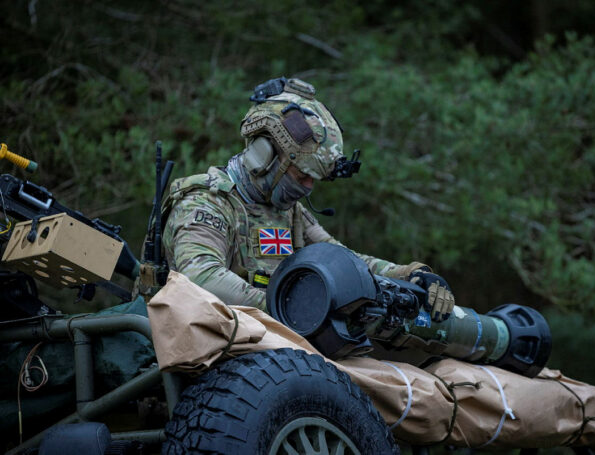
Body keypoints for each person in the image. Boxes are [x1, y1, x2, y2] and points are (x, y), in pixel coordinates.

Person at [161, 77, 455, 322]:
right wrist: (292, 310)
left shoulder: (290, 213)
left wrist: (408, 274)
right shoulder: (205, 203)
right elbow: (201, 278)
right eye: (302, 174)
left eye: (315, 178)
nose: (308, 186)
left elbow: (342, 260)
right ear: (263, 156)